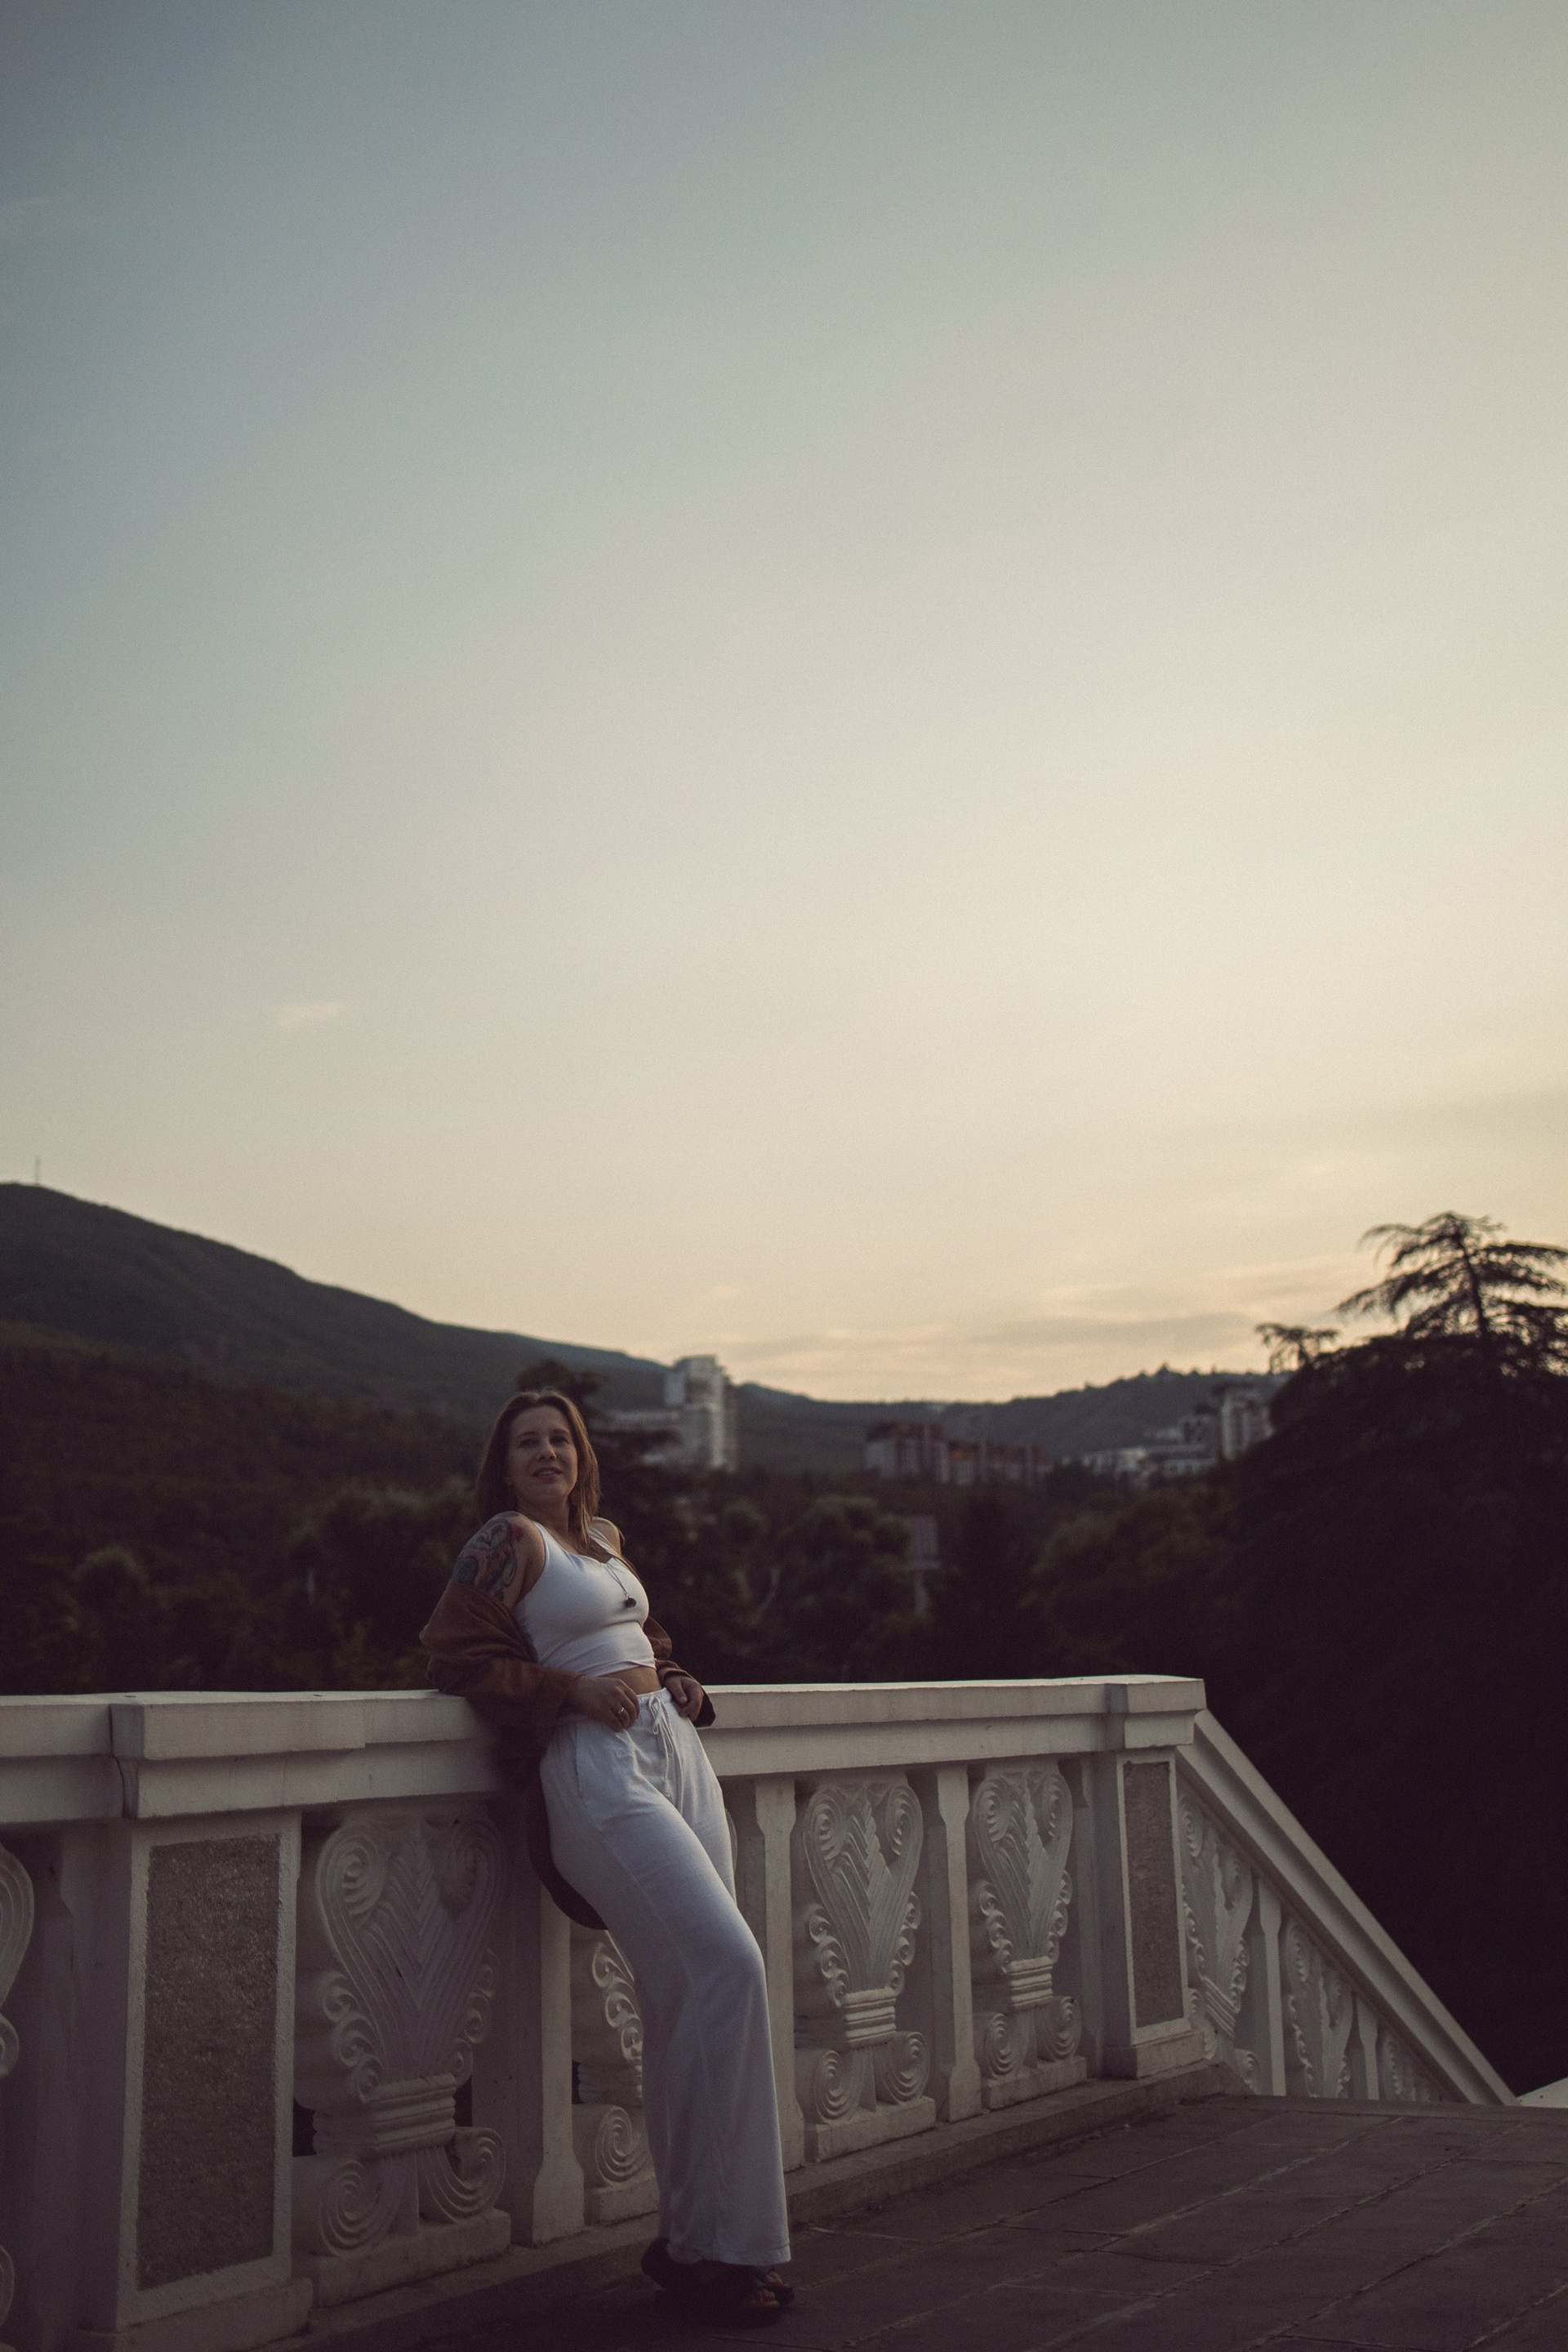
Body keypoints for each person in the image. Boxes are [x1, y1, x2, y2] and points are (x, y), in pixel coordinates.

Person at [420, 1388, 791, 2325]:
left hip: (674, 1748)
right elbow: (454, 1660)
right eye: (528, 1443)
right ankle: (727, 2249)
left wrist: (676, 1677)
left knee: (686, 1999)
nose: (548, 1453)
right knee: (729, 1967)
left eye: (561, 1439)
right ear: (505, 1467)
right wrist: (567, 1694)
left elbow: (639, 1636)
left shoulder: (603, 1540)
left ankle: (701, 2246)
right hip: (596, 1767)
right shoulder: (506, 1543)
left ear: (582, 1455)